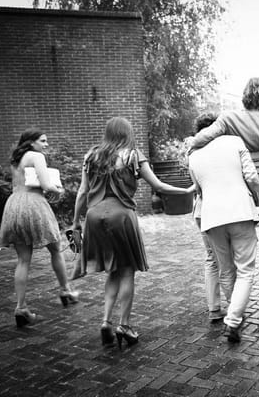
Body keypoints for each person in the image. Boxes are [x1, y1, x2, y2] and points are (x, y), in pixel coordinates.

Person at [72, 117, 194, 348]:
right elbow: (158, 186)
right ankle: (124, 325)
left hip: (94, 217)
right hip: (121, 217)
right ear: (127, 133)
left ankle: (106, 321)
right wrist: (187, 189)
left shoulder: (92, 156)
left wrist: (75, 222)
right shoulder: (132, 155)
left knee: (112, 270)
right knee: (127, 271)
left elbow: (82, 191)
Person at [0, 128, 80, 328]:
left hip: (14, 205)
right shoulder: (36, 156)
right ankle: (66, 290)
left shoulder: (16, 159)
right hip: (34, 205)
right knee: (55, 249)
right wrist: (59, 190)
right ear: (31, 142)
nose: (46, 144)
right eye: (43, 141)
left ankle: (21, 307)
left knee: (23, 260)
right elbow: (46, 184)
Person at [189, 134, 259, 343]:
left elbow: (199, 190)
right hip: (240, 211)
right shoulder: (236, 141)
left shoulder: (194, 155)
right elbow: (253, 177)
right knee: (245, 269)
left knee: (226, 269)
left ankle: (233, 311)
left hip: (211, 217)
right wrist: (256, 196)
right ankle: (233, 318)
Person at [188, 112, 227, 322]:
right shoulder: (220, 151)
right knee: (227, 258)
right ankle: (235, 306)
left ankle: (214, 308)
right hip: (217, 210)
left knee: (211, 259)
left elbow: (197, 188)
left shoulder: (194, 153)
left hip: (201, 211)